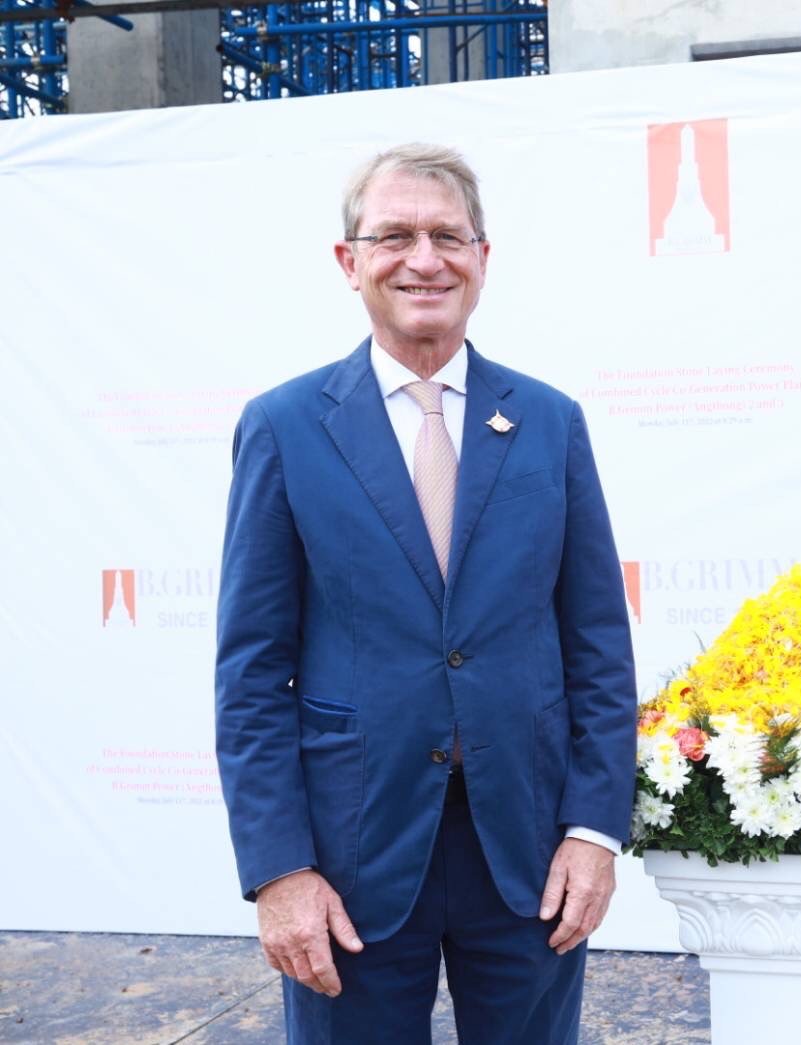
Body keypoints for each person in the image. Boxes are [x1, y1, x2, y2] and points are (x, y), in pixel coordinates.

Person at [214, 143, 636, 1043]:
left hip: (528, 852)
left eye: (447, 236)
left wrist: (595, 832)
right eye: (394, 236)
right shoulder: (284, 426)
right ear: (349, 261)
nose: (424, 259)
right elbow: (250, 673)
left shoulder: (550, 422)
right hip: (349, 857)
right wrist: (279, 870)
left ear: (483, 256)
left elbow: (597, 644)